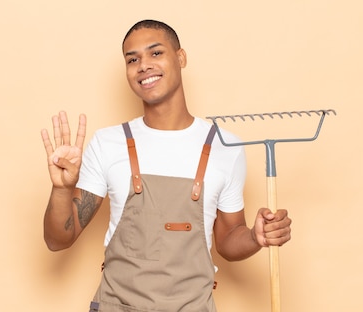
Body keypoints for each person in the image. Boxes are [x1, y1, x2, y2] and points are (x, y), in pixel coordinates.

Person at [40, 19, 292, 312]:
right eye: (132, 59)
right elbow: (58, 240)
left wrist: (254, 237)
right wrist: (62, 189)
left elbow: (226, 240)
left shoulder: (226, 147)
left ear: (180, 57)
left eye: (155, 53)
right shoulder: (108, 143)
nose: (143, 65)